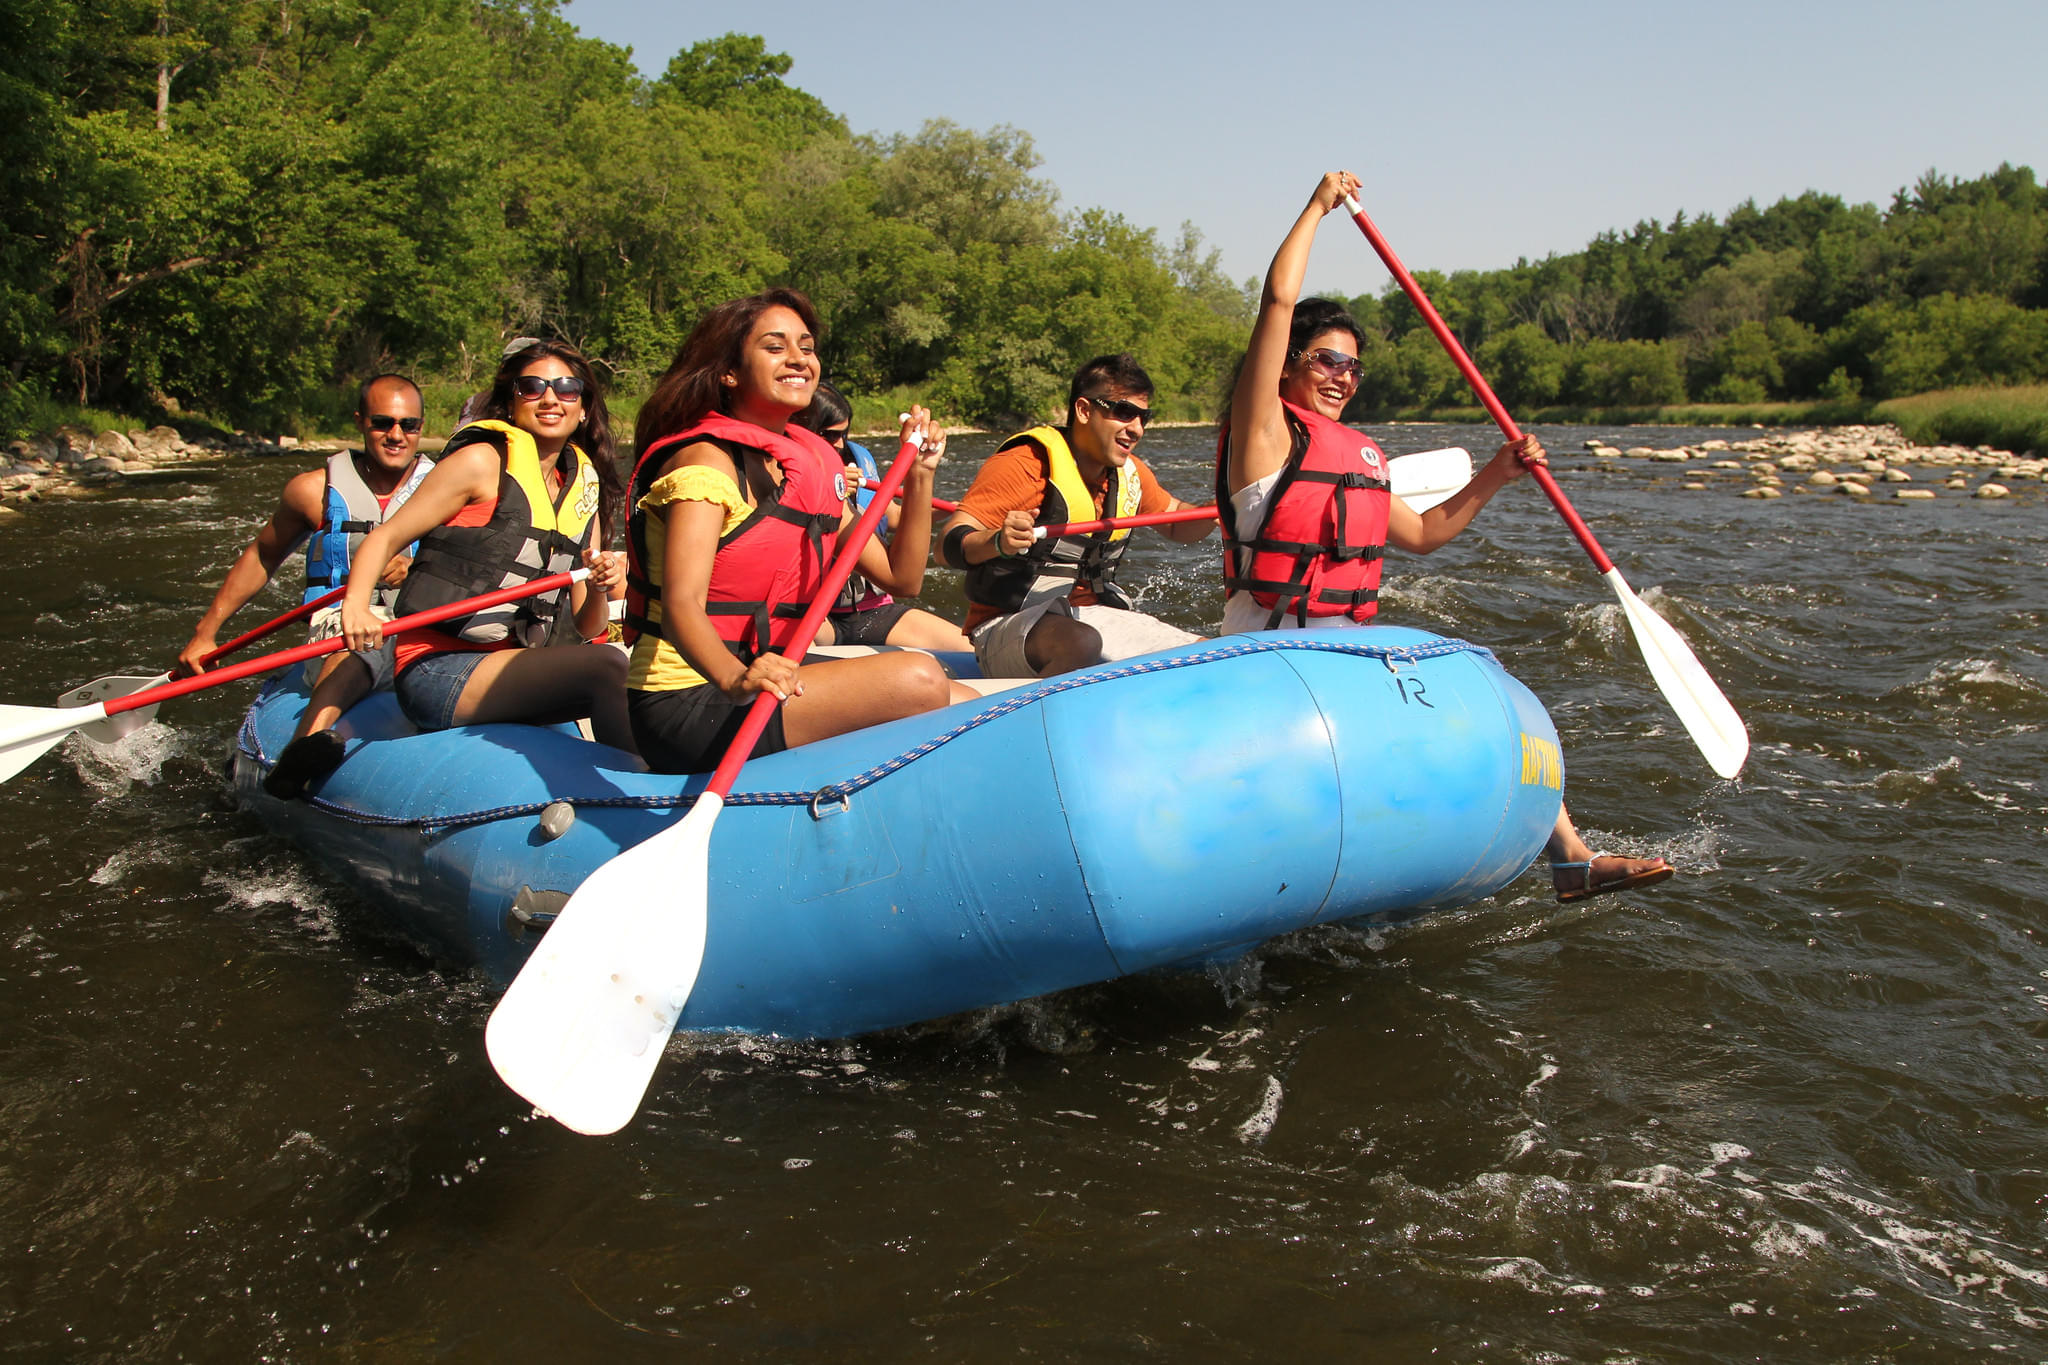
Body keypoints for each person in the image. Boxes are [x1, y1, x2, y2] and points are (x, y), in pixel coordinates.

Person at [1218, 170, 1673, 904]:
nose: (1342, 376)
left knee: (1484, 688)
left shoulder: (1360, 458)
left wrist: (1495, 473)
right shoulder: (1262, 433)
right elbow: (1276, 301)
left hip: (1345, 647)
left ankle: (1572, 857)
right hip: (1271, 651)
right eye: (1327, 360)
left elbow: (1425, 532)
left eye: (1353, 366)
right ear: (1290, 363)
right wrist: (1317, 208)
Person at [622, 289, 979, 775]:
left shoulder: (811, 464)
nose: (798, 360)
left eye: (806, 347)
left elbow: (902, 578)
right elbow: (682, 605)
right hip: (687, 696)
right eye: (775, 347)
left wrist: (920, 474)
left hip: (762, 670)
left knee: (965, 698)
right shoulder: (706, 464)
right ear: (729, 371)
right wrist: (735, 679)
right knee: (919, 677)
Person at [338, 341, 633, 752]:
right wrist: (354, 607)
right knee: (609, 667)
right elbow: (384, 537)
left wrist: (601, 585)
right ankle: (640, 794)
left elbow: (590, 626)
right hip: (436, 669)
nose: (550, 398)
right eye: (532, 387)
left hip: (511, 664)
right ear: (512, 404)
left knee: (624, 671)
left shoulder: (583, 490)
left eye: (567, 388)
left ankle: (640, 781)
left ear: (583, 408)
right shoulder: (479, 462)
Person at [173, 374, 435, 799]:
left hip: (418, 622)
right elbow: (263, 556)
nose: (396, 435)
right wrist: (206, 633)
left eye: (409, 425)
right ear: (360, 421)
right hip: (341, 625)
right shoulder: (313, 490)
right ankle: (303, 748)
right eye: (382, 422)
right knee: (363, 644)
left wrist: (420, 565)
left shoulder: (449, 489)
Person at [938, 354, 1214, 679]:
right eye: (1124, 412)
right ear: (1084, 410)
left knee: (1209, 653)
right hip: (1008, 627)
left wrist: (1218, 509)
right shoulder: (1025, 464)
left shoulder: (1130, 472)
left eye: (1144, 416)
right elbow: (945, 548)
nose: (1136, 429)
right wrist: (997, 541)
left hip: (1091, 618)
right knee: (1081, 642)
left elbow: (1175, 521)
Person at [790, 382, 972, 653]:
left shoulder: (856, 457)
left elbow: (890, 516)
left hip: (870, 610)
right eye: (827, 435)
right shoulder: (778, 472)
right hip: (815, 617)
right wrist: (831, 492)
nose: (838, 444)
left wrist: (949, 504)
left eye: (843, 433)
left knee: (972, 650)